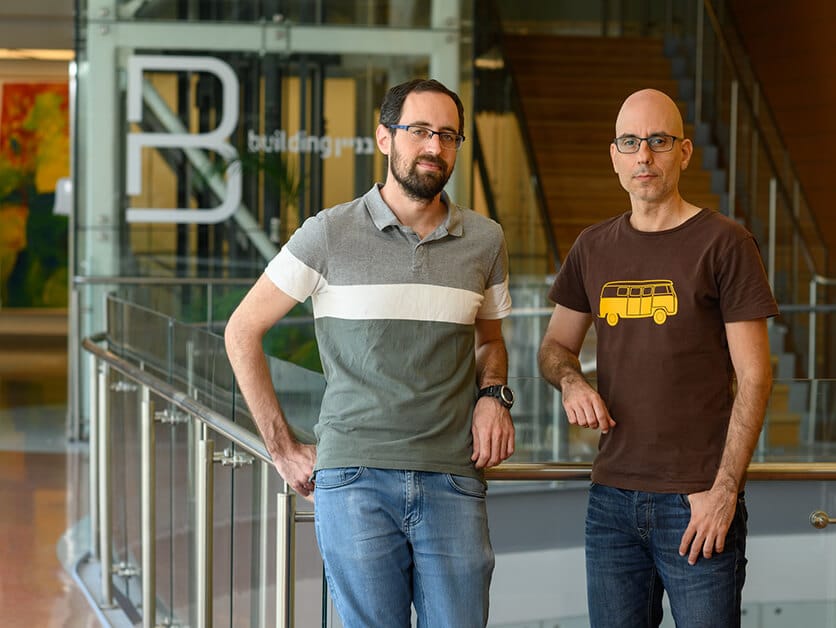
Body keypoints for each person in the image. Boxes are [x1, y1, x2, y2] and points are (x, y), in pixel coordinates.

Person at [224, 78, 515, 628]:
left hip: (452, 474)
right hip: (353, 480)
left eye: (448, 135)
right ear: (385, 138)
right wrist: (282, 448)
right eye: (420, 131)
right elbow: (241, 331)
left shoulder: (486, 240)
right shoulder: (327, 234)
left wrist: (493, 395)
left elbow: (490, 340)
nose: (434, 146)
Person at [538, 88, 778, 627]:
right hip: (611, 503)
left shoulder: (726, 243)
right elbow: (554, 347)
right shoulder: (592, 246)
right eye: (630, 142)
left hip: (696, 503)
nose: (643, 155)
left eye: (658, 141)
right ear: (615, 156)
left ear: (685, 152)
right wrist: (573, 382)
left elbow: (757, 377)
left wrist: (723, 492)